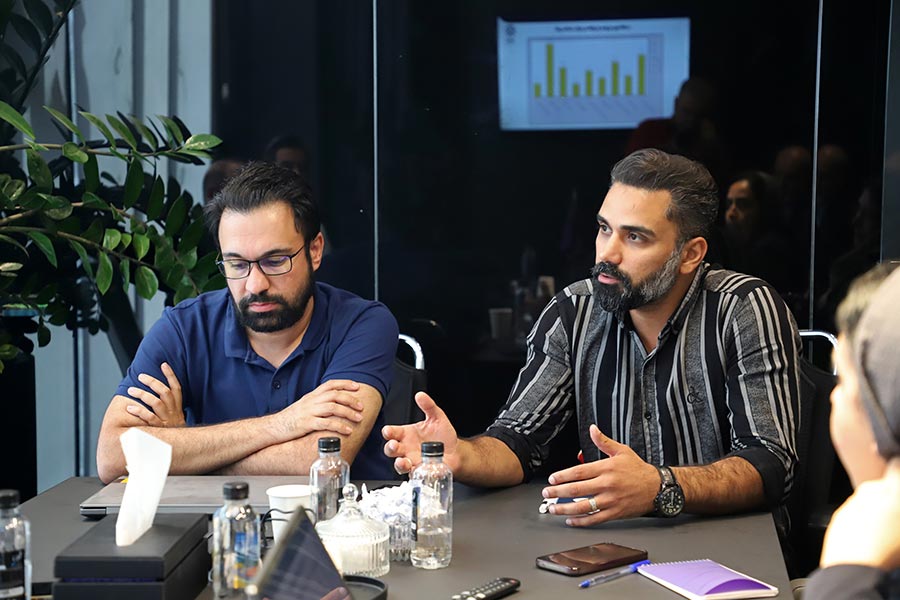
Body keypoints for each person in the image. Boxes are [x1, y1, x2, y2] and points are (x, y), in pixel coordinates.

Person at [384, 148, 801, 527]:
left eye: (634, 237)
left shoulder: (743, 308)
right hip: (612, 543)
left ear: (690, 254)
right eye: (604, 229)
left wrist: (660, 486)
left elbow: (771, 463)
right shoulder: (573, 311)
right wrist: (463, 455)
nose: (607, 254)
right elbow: (519, 440)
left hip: (728, 542)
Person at [96, 162, 399, 483]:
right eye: (237, 264)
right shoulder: (184, 329)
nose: (255, 285)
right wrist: (282, 424)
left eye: (275, 261)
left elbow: (317, 462)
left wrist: (185, 454)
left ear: (314, 251)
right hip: (212, 515)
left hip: (337, 513)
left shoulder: (362, 324)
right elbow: (112, 456)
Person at [804, 264, 900, 599]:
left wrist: (845, 574)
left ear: (882, 418)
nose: (834, 397)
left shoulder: (861, 565)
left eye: (844, 382)